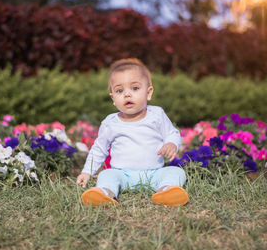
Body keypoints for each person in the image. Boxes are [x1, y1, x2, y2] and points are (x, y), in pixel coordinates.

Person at [76, 58, 188, 207]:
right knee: (106, 174)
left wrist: (171, 143)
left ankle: (165, 190)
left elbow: (172, 133)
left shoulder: (156, 115)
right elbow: (99, 149)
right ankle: (105, 193)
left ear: (148, 93)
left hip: (154, 174)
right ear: (113, 99)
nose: (127, 94)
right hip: (122, 175)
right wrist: (86, 172)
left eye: (135, 88)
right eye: (119, 90)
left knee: (176, 172)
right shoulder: (110, 123)